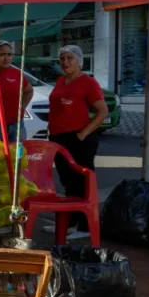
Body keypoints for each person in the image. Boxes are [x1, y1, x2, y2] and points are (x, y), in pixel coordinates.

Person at [47, 45, 108, 239]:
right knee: (68, 182)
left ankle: (84, 226)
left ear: (79, 61)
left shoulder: (88, 82)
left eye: (70, 58)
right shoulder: (60, 80)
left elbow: (102, 111)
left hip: (79, 138)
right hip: (58, 137)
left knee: (82, 182)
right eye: (62, 58)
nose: (65, 62)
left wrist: (82, 134)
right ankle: (69, 223)